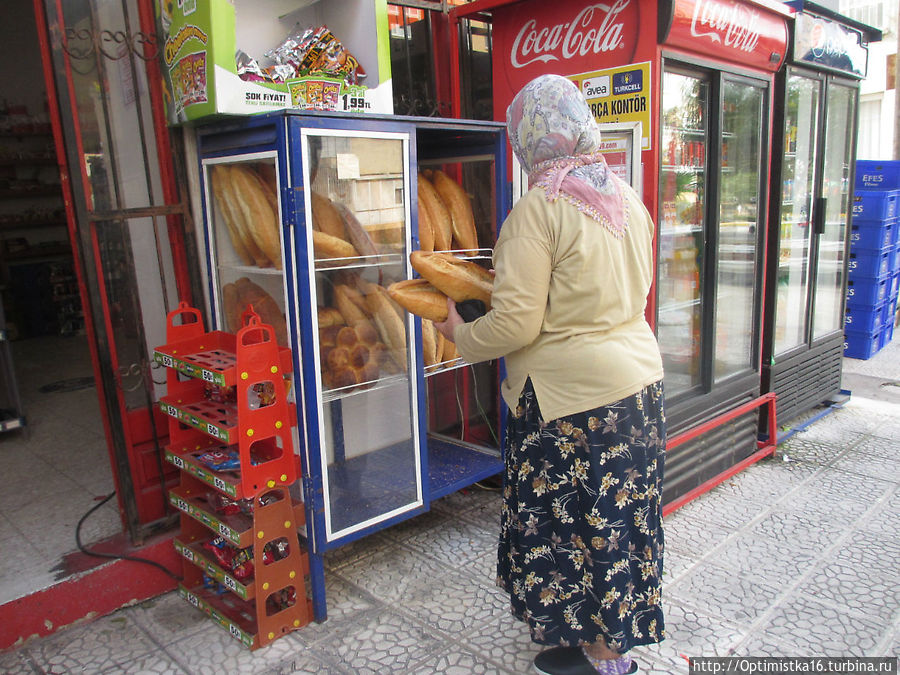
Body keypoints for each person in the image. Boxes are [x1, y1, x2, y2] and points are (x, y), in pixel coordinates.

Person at [434, 74, 666, 675]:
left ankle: (603, 659)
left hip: (571, 405)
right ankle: (601, 644)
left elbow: (513, 327)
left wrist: (458, 333)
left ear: (529, 137)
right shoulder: (627, 197)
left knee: (568, 525)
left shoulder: (538, 211)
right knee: (617, 523)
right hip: (637, 388)